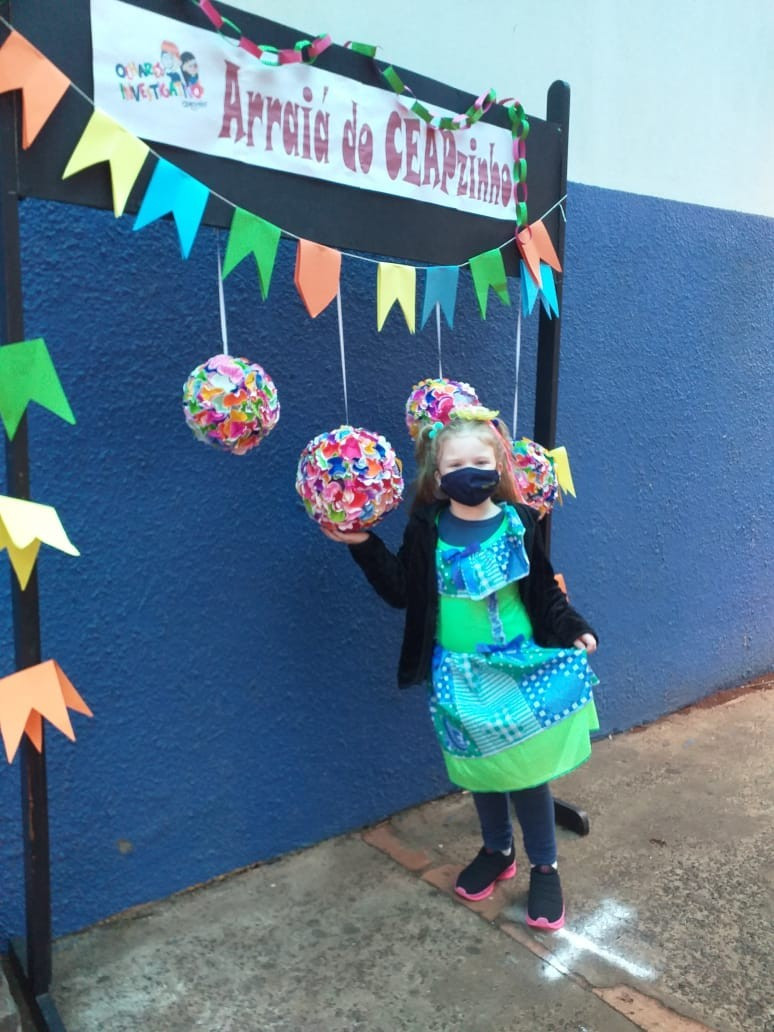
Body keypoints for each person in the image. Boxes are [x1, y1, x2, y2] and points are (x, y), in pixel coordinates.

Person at [321, 408, 599, 930]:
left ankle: (545, 866)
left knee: (527, 775)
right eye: (455, 464)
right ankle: (498, 850)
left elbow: (542, 591)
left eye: (480, 461)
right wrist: (365, 546)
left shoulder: (519, 523)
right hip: (458, 676)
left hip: (517, 671)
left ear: (499, 465)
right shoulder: (426, 529)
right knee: (481, 770)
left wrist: (573, 627)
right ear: (437, 472)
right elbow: (401, 591)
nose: (469, 471)